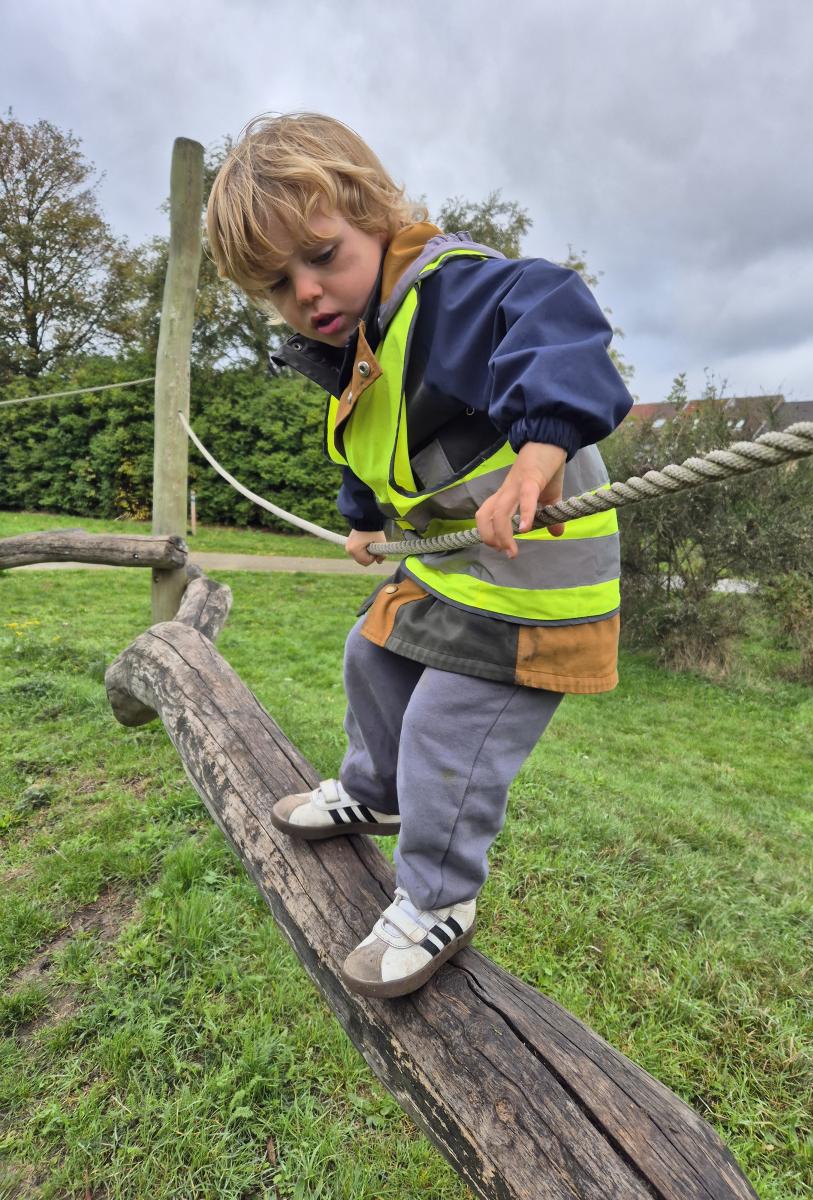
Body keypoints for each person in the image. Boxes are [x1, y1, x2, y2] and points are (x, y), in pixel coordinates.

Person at [206, 112, 633, 999]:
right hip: (456, 570)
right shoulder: (356, 348)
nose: (307, 292)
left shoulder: (451, 294)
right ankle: (375, 790)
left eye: (323, 255)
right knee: (370, 652)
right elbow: (375, 446)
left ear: (375, 218)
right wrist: (362, 518)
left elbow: (556, 310)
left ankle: (440, 898)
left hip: (537, 586)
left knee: (446, 729)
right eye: (279, 284)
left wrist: (543, 448)